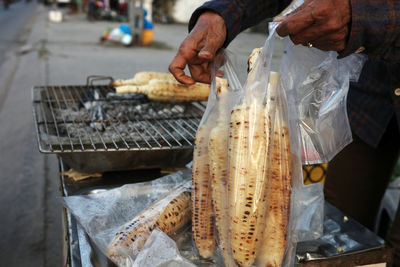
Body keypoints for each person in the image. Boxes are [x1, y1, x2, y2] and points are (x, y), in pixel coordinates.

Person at [168, 0, 400, 265]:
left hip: (369, 39)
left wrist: (365, 15)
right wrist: (221, 13)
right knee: (344, 230)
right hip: (369, 98)